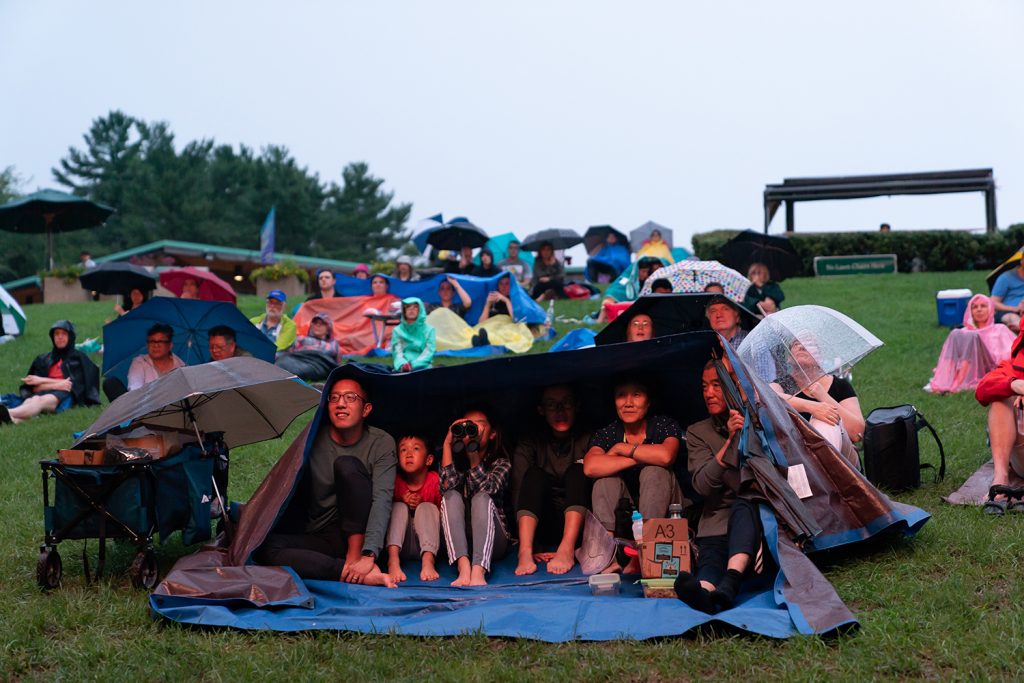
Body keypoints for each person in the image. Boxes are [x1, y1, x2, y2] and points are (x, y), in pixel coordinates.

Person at [257, 378, 397, 586]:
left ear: (366, 409)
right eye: (334, 398)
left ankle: (354, 557)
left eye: (350, 398)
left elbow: (382, 500)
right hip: (323, 535)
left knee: (347, 465)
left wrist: (368, 555)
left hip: (364, 537)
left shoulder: (381, 442)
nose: (341, 404)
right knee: (265, 547)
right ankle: (347, 572)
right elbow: (284, 483)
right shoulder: (313, 440)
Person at [675, 360, 764, 613]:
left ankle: (730, 584)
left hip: (753, 515)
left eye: (716, 385)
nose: (709, 393)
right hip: (716, 519)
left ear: (734, 387)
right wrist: (729, 441)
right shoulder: (698, 432)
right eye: (704, 386)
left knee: (744, 501)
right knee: (710, 560)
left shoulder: (758, 420)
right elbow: (702, 485)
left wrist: (744, 431)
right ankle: (704, 594)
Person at [583, 379, 682, 543]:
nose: (628, 403)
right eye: (621, 395)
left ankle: (646, 548)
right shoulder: (607, 433)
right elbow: (591, 467)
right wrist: (642, 456)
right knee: (605, 479)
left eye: (636, 395)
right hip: (626, 513)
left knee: (654, 470)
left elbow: (666, 456)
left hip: (666, 512)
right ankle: (606, 552)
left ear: (648, 401)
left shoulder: (663, 425)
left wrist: (623, 449)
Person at [512, 385, 592, 576]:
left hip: (581, 525)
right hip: (542, 523)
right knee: (533, 474)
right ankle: (525, 551)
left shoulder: (589, 437)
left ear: (576, 406)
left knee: (579, 470)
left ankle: (566, 549)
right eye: (551, 405)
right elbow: (518, 491)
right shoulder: (530, 441)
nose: (560, 411)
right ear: (541, 410)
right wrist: (534, 544)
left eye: (566, 403)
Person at [439, 407, 512, 586]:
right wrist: (448, 444)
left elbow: (488, 488)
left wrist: (473, 456)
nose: (473, 430)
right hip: (462, 538)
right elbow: (447, 486)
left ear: (492, 433)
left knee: (480, 498)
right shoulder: (456, 461)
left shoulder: (501, 463)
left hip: (493, 541)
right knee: (451, 495)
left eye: (479, 425)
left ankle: (478, 571)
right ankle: (463, 568)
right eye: (468, 425)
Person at [771, 335, 864, 467]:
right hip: (799, 456)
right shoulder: (781, 385)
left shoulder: (840, 385)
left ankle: (821, 479)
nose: (801, 346)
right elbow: (769, 397)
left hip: (844, 464)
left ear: (820, 357)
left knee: (825, 420)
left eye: (809, 344)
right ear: (789, 358)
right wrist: (812, 407)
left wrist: (823, 397)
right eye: (796, 344)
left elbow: (856, 433)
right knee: (821, 414)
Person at [0, 320, 100, 425]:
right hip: (43, 393)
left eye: (63, 334)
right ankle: (13, 420)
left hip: (63, 396)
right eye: (56, 334)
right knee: (31, 400)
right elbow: (35, 388)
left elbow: (71, 386)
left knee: (38, 400)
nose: (60, 337)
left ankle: (8, 412)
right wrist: (58, 384)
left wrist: (41, 380)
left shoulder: (78, 358)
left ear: (70, 336)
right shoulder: (44, 359)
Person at [927, 294, 1015, 394]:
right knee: (956, 333)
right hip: (967, 367)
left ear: (990, 309)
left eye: (983, 306)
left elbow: (1011, 354)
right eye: (975, 307)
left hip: (992, 367)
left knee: (972, 336)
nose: (979, 310)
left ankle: (959, 383)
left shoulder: (999, 329)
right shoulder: (964, 332)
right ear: (970, 311)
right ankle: (947, 380)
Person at [385, 434, 441, 583]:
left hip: (429, 544)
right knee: (397, 507)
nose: (409, 454)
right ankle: (393, 560)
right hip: (400, 544)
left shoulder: (435, 480)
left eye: (415, 449)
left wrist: (422, 503)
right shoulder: (395, 481)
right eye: (403, 450)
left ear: (428, 460)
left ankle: (428, 562)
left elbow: (444, 514)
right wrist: (401, 499)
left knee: (426, 507)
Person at [597, 257, 663, 323]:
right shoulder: (625, 282)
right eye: (643, 271)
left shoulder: (645, 281)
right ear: (637, 270)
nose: (645, 274)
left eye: (647, 272)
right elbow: (609, 300)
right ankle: (600, 320)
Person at [126, 323, 186, 391]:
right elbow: (134, 390)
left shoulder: (182, 367)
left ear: (170, 345)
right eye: (152, 341)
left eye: (161, 341)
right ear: (147, 345)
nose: (156, 345)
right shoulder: (140, 362)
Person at [392, 298, 435, 373]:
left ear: (421, 310)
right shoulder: (397, 330)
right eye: (408, 307)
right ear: (403, 310)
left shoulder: (430, 330)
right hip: (403, 367)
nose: (411, 309)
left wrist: (413, 365)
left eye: (415, 307)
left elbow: (429, 352)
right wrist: (403, 365)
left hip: (423, 366)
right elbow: (397, 352)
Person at [991, 260, 1024, 333]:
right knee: (1012, 317)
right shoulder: (1006, 277)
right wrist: (1014, 309)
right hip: (1008, 311)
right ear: (1022, 261)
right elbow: (993, 302)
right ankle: (1019, 327)